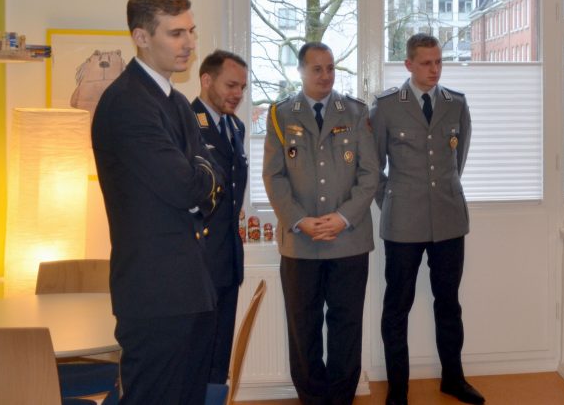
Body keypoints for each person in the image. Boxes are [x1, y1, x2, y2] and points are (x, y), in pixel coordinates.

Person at [92, 0, 223, 405]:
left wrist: (200, 177)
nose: (189, 44)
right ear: (141, 37)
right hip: (155, 296)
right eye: (175, 34)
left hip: (190, 286)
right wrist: (200, 176)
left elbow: (209, 178)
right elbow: (188, 185)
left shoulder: (176, 101)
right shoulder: (128, 103)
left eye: (191, 31)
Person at [370, 34, 482, 405]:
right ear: (408, 65)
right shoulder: (387, 106)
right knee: (396, 306)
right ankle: (398, 390)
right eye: (426, 63)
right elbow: (373, 167)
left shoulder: (456, 104)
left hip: (449, 220)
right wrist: (392, 200)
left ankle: (453, 378)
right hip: (403, 222)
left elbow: (458, 158)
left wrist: (441, 194)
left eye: (438, 62)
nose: (434, 69)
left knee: (448, 303)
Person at [263, 42, 378, 405]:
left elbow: (370, 173)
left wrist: (343, 218)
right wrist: (300, 220)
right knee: (304, 327)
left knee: (346, 325)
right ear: (301, 72)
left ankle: (342, 397)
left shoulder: (356, 113)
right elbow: (274, 176)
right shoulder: (281, 115)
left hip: (349, 240)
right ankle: (312, 399)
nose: (326, 76)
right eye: (317, 69)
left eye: (330, 68)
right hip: (301, 242)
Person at [191, 50, 249, 385]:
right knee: (197, 356)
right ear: (206, 80)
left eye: (241, 87)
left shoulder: (236, 126)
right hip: (198, 260)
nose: (237, 94)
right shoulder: (187, 122)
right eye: (230, 85)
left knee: (219, 358)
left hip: (227, 258)